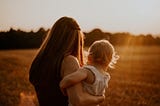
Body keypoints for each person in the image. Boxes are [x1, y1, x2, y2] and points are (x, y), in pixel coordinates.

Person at [29, 16, 105, 106]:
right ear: (76, 40)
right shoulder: (69, 61)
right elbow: (78, 101)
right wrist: (100, 98)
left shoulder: (39, 61)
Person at [60, 40, 119, 106]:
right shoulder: (105, 77)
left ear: (89, 57)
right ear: (110, 60)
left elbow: (71, 79)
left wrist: (62, 84)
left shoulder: (88, 71)